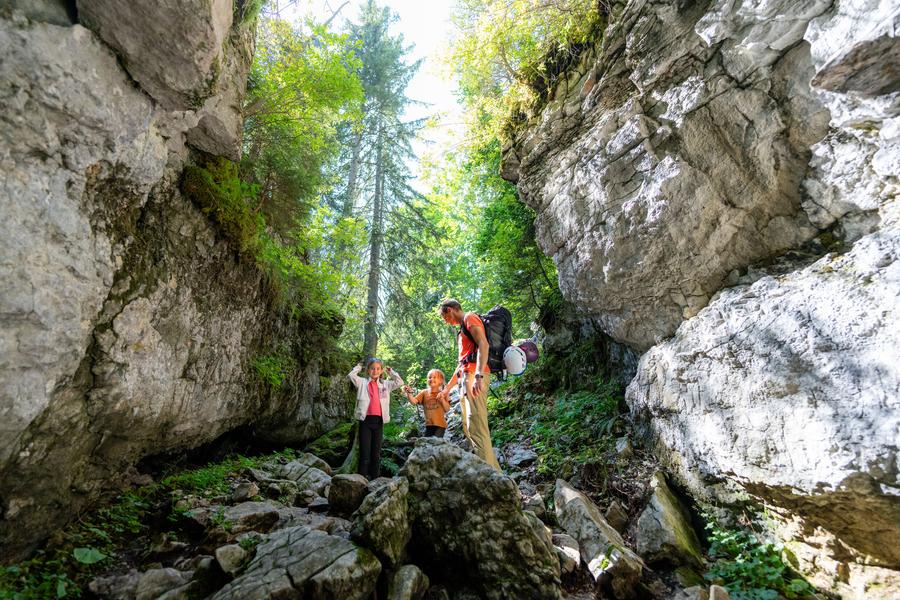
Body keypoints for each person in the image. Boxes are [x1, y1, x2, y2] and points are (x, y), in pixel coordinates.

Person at [437, 299, 501, 470]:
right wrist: (447, 389)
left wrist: (478, 375)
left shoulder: (470, 318)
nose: (445, 321)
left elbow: (483, 344)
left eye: (444, 316)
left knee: (478, 426)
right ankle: (493, 473)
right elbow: (461, 364)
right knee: (470, 427)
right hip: (466, 377)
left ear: (450, 310)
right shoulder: (461, 331)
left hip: (474, 376)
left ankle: (490, 476)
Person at [347, 357, 404, 480]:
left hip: (379, 422)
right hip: (365, 421)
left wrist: (392, 373)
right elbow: (351, 375)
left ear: (381, 371)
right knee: (365, 453)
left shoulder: (385, 385)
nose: (375, 371)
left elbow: (399, 382)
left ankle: (375, 480)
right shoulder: (362, 383)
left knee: (376, 454)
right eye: (372, 368)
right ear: (368, 370)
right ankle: (360, 480)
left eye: (378, 369)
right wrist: (359, 367)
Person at [402, 369, 451, 438]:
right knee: (427, 444)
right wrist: (409, 393)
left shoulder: (444, 393)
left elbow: (447, 409)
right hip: (429, 425)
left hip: (440, 425)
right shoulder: (424, 393)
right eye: (429, 377)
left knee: (436, 443)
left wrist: (442, 399)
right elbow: (413, 402)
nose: (431, 379)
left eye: (434, 377)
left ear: (441, 381)